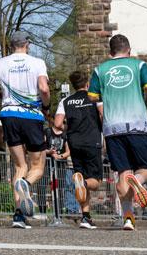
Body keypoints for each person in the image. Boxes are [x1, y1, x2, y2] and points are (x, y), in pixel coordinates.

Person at [87, 34, 147, 231]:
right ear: (129, 49)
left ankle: (128, 218)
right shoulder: (139, 65)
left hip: (112, 129)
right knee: (145, 169)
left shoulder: (99, 70)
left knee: (122, 173)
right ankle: (139, 181)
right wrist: (146, 104)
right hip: (137, 125)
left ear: (110, 52)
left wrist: (108, 95)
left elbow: (92, 96)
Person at [0, 30, 50, 230]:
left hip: (9, 115)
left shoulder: (0, 63)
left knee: (20, 167)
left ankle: (19, 216)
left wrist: (1, 97)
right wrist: (46, 106)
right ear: (27, 44)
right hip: (31, 115)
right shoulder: (37, 62)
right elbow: (44, 88)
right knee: (37, 167)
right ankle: (26, 185)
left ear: (11, 45)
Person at [53, 70, 103, 230]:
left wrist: (69, 128)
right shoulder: (94, 97)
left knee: (80, 176)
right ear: (87, 83)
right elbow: (103, 115)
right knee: (95, 181)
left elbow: (58, 124)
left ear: (73, 85)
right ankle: (84, 183)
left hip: (74, 142)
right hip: (92, 140)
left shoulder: (65, 101)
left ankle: (86, 217)